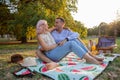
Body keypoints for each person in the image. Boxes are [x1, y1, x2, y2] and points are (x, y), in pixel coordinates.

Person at [36, 19, 103, 65]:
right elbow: (46, 48)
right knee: (71, 43)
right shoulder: (39, 36)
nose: (48, 26)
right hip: (51, 54)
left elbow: (54, 27)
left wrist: (64, 27)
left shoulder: (47, 32)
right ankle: (89, 59)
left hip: (55, 51)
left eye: (57, 22)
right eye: (46, 24)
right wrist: (58, 44)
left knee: (73, 39)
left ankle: (90, 56)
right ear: (43, 26)